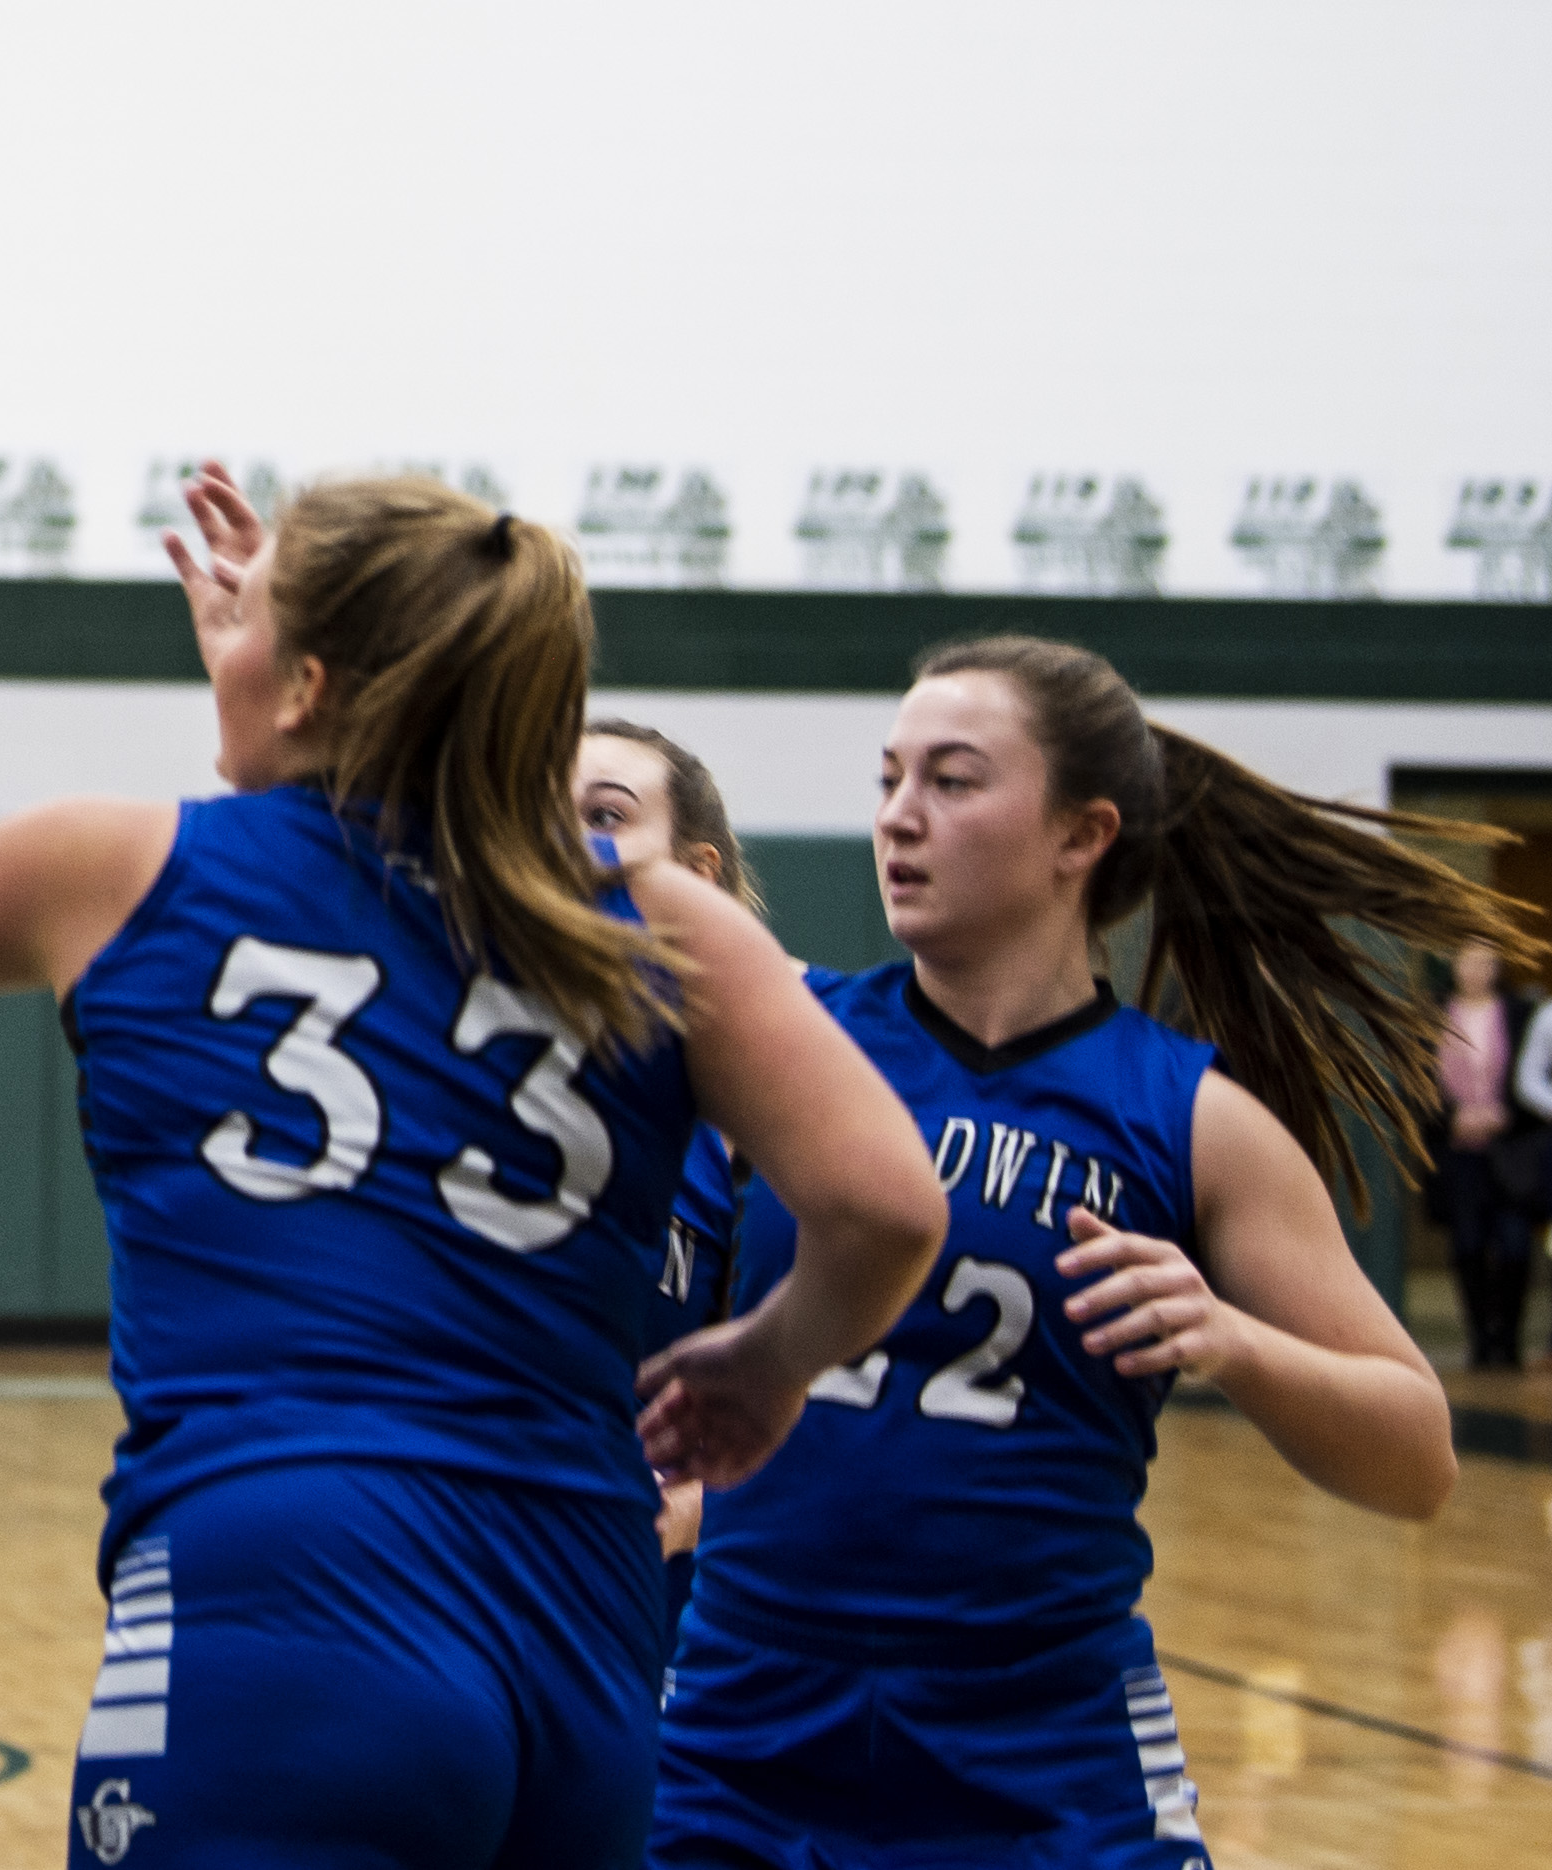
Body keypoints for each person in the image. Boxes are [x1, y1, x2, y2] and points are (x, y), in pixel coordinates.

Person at [0, 459, 947, 1866]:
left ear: (317, 681)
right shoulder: (659, 920)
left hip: (287, 1602)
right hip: (580, 1632)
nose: (217, 638)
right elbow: (886, 1208)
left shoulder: (130, 868)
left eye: (245, 618)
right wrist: (768, 1360)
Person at [652, 634, 1539, 1869]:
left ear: (1082, 834)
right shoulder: (780, 1035)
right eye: (889, 777)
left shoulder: (1192, 1117)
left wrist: (1237, 1341)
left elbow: (1419, 1457)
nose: (899, 817)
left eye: (953, 780)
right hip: (744, 1724)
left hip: (1043, 1743)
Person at [574, 719, 793, 1650]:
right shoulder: (454, 1057)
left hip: (672, 1625)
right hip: (468, 1577)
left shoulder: (757, 1096)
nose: (568, 842)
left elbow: (855, 1378)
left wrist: (702, 1503)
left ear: (696, 875)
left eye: (606, 814)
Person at [1434, 944, 1541, 1368]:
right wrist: (1451, 1118)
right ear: (1454, 963)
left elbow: (1532, 1075)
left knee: (1515, 1243)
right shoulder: (1434, 1012)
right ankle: (1479, 1339)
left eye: (1487, 961)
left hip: (1511, 1150)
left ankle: (1509, 1339)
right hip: (1458, 1151)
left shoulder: (1520, 1013)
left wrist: (1505, 1115)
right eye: (1470, 959)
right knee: (1468, 1245)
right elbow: (1418, 1080)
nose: (1478, 969)